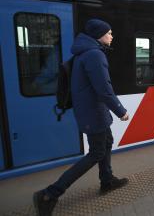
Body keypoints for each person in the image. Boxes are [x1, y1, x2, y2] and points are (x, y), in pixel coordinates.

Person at [33, 19, 130, 215]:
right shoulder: (94, 54)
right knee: (96, 153)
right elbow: (104, 90)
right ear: (99, 35)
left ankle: (107, 180)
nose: (112, 36)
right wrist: (121, 111)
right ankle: (49, 193)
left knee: (107, 142)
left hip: (93, 111)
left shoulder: (85, 52)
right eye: (109, 32)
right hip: (94, 113)